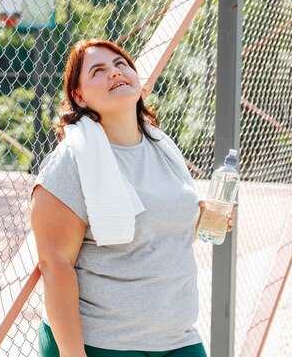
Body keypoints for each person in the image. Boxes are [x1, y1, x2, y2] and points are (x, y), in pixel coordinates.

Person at [30, 39, 237, 357]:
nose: (114, 72)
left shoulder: (162, 146)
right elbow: (55, 265)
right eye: (98, 70)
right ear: (79, 96)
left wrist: (201, 218)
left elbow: (156, 234)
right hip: (104, 342)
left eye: (120, 64)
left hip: (177, 337)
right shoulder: (72, 159)